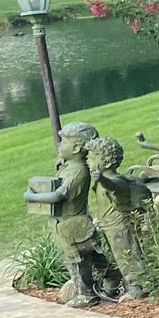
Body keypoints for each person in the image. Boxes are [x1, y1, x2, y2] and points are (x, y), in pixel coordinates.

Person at [24, 122, 109, 307]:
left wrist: (31, 196)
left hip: (72, 224)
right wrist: (63, 162)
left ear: (77, 147)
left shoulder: (78, 171)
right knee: (88, 257)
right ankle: (108, 282)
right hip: (65, 224)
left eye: (64, 142)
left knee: (78, 261)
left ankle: (86, 294)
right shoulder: (72, 166)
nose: (59, 146)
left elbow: (58, 195)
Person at [87, 136, 150, 299]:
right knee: (119, 256)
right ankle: (126, 284)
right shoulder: (103, 180)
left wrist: (101, 178)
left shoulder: (116, 180)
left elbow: (114, 186)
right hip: (108, 225)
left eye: (92, 158)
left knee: (127, 254)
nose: (88, 160)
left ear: (106, 162)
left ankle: (137, 286)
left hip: (119, 225)